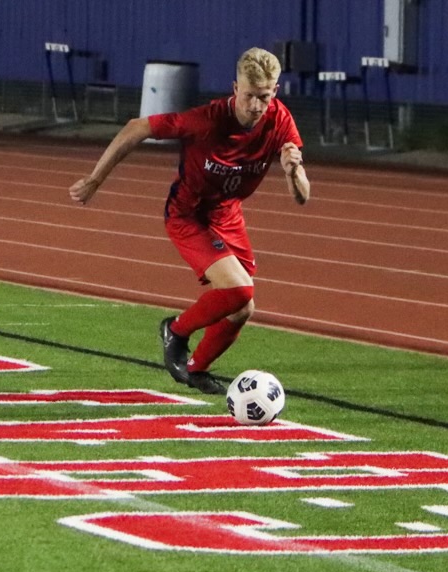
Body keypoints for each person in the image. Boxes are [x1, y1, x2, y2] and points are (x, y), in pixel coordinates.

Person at [69, 47, 310, 395]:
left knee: (243, 309)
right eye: (249, 96)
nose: (256, 106)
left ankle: (196, 369)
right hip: (188, 215)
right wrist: (95, 179)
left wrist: (294, 170)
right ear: (234, 88)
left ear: (275, 91)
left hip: (227, 213)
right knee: (239, 289)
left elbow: (302, 196)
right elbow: (137, 127)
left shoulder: (280, 120)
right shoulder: (207, 120)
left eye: (265, 97)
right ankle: (176, 330)